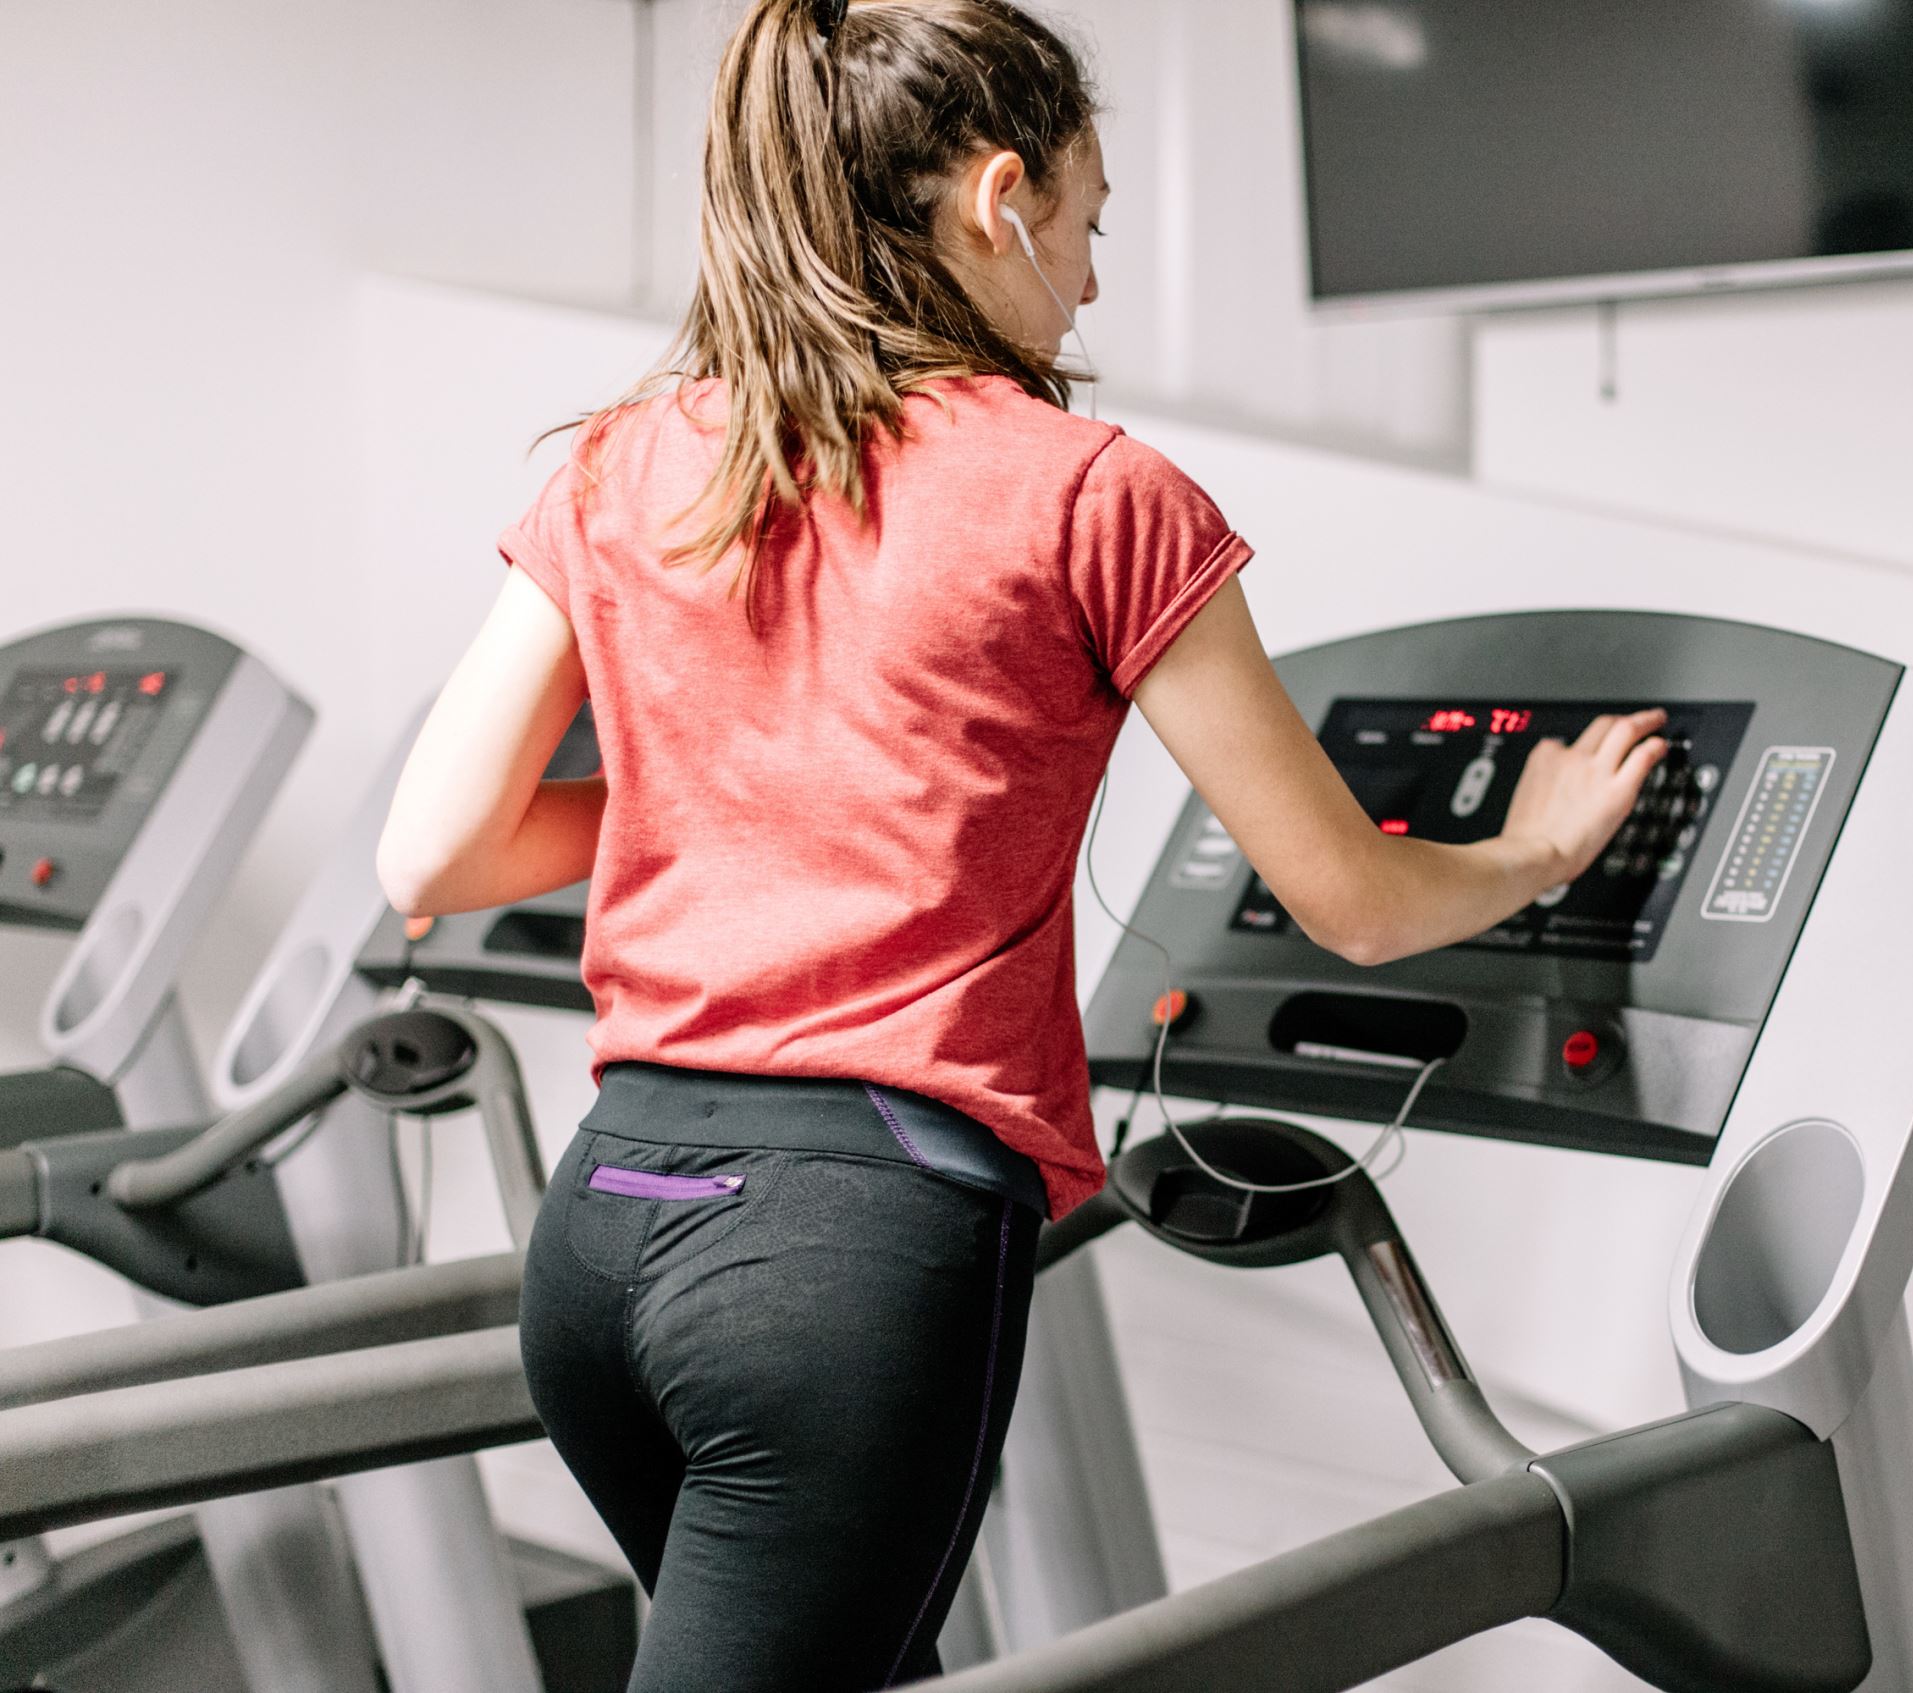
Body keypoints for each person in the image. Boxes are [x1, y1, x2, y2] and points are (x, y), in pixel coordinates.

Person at [374, 1, 1665, 1686]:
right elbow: (1348, 898)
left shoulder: (631, 462)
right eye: (1090, 218)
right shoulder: (1093, 496)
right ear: (1000, 198)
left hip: (602, 1234)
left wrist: (750, 788)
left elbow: (435, 853)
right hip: (844, 1265)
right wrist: (1536, 852)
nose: (1094, 276)